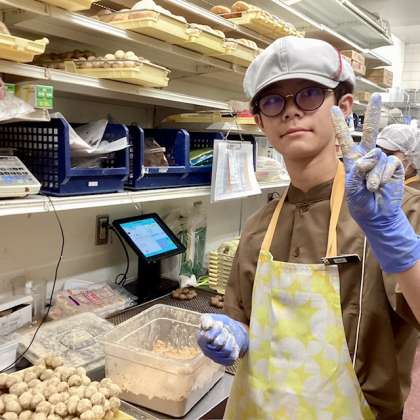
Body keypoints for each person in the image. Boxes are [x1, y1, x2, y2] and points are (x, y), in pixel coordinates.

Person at [197, 36, 420, 420]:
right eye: (273, 101)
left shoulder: (396, 212)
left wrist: (392, 237)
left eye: (309, 94)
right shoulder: (258, 227)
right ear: (260, 121)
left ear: (343, 107)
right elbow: (243, 320)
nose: (290, 112)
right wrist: (233, 335)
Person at [376, 123, 420, 189]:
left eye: (389, 154)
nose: (381, 158)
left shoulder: (415, 190)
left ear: (412, 157)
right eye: (378, 152)